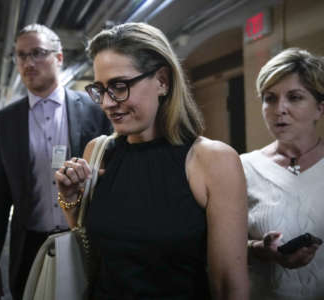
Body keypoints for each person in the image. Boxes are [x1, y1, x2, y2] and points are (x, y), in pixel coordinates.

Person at [55, 22, 249, 299]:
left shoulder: (212, 161)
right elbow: (88, 242)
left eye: (119, 86)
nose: (107, 103)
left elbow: (229, 283)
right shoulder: (97, 152)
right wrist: (70, 197)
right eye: (100, 89)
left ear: (162, 81)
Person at [0, 23, 111, 300]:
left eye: (37, 53)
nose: (28, 63)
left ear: (59, 58)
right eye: (21, 55)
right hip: (30, 245)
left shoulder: (95, 111)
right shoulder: (5, 122)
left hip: (86, 239)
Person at [241, 48, 324, 300]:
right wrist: (258, 249)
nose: (280, 109)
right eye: (270, 98)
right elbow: (220, 247)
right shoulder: (243, 167)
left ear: (320, 108)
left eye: (295, 97)